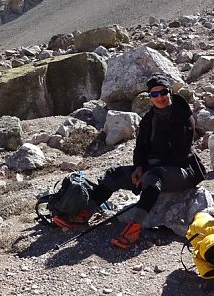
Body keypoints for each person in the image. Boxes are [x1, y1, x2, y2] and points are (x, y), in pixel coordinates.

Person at [53, 74, 205, 250]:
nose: (160, 98)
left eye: (163, 92)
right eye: (154, 95)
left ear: (169, 92)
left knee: (153, 177)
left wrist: (148, 170)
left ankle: (133, 228)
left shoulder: (183, 117)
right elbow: (140, 148)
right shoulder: (149, 118)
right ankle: (84, 213)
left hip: (182, 170)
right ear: (150, 97)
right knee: (114, 175)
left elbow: (179, 155)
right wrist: (139, 167)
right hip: (152, 167)